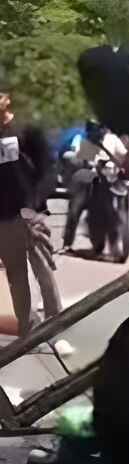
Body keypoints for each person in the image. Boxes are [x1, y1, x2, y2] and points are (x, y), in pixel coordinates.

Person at [0, 89, 62, 336]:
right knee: (17, 277)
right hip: (4, 219)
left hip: (31, 214)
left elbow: (48, 170)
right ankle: (27, 329)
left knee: (44, 270)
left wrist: (34, 204)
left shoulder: (26, 128)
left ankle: (58, 325)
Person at [62, 120, 126, 252]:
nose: (98, 130)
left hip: (108, 178)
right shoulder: (86, 140)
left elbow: (123, 157)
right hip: (88, 176)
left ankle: (113, 243)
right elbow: (81, 158)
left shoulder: (112, 139)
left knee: (108, 210)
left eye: (100, 127)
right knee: (75, 207)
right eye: (94, 127)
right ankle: (67, 243)